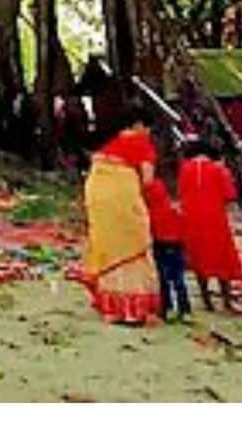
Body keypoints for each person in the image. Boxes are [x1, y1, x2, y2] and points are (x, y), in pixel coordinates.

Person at [73, 104, 161, 325]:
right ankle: (133, 309)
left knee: (109, 243)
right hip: (123, 195)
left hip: (96, 195)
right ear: (139, 125)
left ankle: (111, 308)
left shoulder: (108, 145)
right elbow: (148, 180)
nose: (148, 132)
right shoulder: (141, 142)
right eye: (147, 128)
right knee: (134, 245)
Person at [177, 140, 242, 312]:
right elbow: (230, 195)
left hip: (192, 219)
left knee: (199, 257)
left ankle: (206, 299)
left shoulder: (185, 169)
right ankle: (226, 300)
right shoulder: (219, 169)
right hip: (216, 219)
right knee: (222, 258)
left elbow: (181, 193)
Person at [144, 178, 190, 322]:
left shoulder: (150, 213)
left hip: (160, 245)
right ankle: (184, 309)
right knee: (179, 280)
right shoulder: (174, 210)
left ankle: (166, 308)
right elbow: (184, 228)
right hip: (176, 246)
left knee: (163, 280)